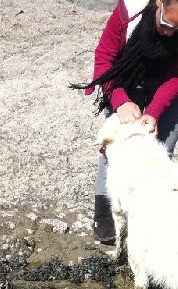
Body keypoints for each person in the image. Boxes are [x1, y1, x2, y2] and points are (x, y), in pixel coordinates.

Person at [73, 0, 178, 244]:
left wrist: (153, 112)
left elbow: (175, 77)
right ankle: (107, 220)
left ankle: (153, 216)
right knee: (117, 146)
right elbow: (103, 61)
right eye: (166, 24)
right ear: (159, 3)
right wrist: (120, 102)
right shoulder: (127, 14)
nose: (170, 32)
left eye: (177, 29)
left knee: (162, 146)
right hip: (123, 78)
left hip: (165, 84)